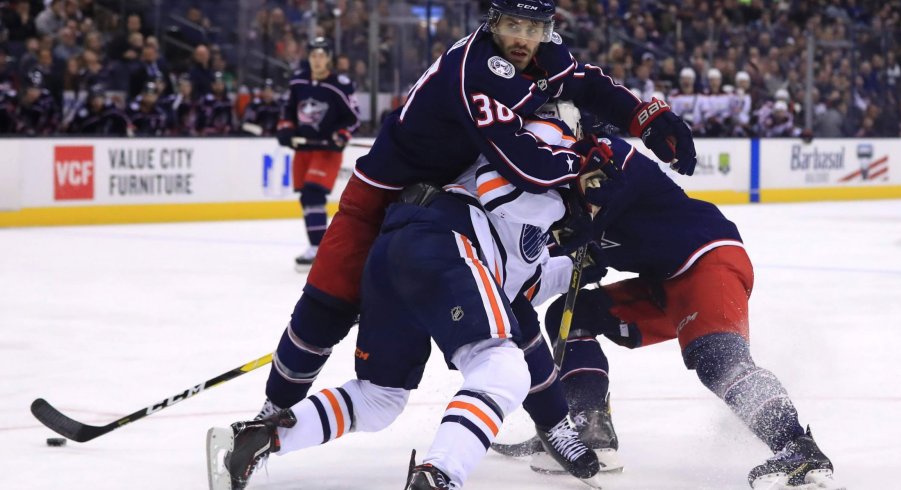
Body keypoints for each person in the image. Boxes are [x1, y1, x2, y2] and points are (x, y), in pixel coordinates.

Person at [253, 0, 695, 480]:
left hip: (455, 206)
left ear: (547, 30)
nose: (522, 38)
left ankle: (555, 424)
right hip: (382, 201)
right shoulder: (477, 70)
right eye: (510, 25)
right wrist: (585, 168)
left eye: (532, 27)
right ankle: (268, 417)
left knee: (511, 310)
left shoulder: (543, 61)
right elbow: (523, 164)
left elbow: (587, 83)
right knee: (325, 309)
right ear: (491, 24)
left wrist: (647, 115)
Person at [208, 111, 608, 490]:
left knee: (379, 399)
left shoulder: (539, 240)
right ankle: (439, 475)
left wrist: (578, 266)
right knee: (503, 367)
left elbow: (515, 285)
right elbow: (495, 185)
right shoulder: (546, 143)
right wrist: (567, 205)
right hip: (442, 237)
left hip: (400, 249)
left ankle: (260, 437)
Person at [513, 135, 841, 490]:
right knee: (574, 314)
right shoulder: (544, 194)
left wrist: (583, 228)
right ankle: (589, 427)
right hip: (662, 281)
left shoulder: (601, 151)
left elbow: (626, 181)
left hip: (704, 258)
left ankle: (797, 447)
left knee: (718, 358)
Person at [276, 37, 361, 269]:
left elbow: (353, 117)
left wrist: (342, 135)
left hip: (326, 151)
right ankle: (317, 247)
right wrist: (286, 130)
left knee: (314, 193)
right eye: (313, 55)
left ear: (329, 59)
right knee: (306, 197)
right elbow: (287, 112)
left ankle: (319, 250)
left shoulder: (339, 84)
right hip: (304, 149)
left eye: (322, 56)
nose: (317, 60)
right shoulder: (298, 82)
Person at [16, 70, 59, 135]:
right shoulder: (18, 101)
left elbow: (55, 118)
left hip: (44, 138)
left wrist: (47, 131)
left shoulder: (47, 100)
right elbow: (16, 120)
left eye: (37, 89)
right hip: (20, 139)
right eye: (31, 88)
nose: (34, 92)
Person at [196, 71, 234, 135]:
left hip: (225, 134)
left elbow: (231, 119)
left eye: (220, 84)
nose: (218, 86)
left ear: (224, 85)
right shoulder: (206, 100)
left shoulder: (228, 101)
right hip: (207, 134)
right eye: (216, 84)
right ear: (212, 85)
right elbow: (200, 119)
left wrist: (229, 127)